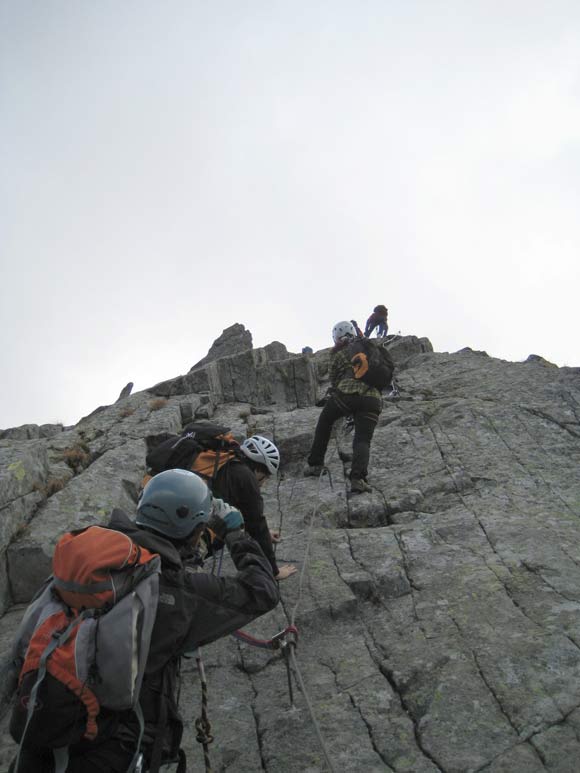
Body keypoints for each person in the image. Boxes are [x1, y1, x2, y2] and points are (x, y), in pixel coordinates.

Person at [9, 469, 280, 773]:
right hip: (116, 751)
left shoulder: (86, 568)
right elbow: (262, 590)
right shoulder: (178, 593)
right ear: (194, 529)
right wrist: (236, 533)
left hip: (40, 741)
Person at [304, 321, 382, 494]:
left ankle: (316, 463)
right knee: (363, 439)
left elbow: (334, 379)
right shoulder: (369, 348)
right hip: (373, 400)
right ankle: (358, 479)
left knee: (325, 420)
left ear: (336, 337)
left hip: (347, 396)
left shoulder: (340, 354)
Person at [210, 435, 297, 581]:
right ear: (257, 470)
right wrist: (274, 571)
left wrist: (265, 534)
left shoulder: (228, 461)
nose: (263, 483)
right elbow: (257, 525)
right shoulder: (246, 478)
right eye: (265, 476)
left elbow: (241, 509)